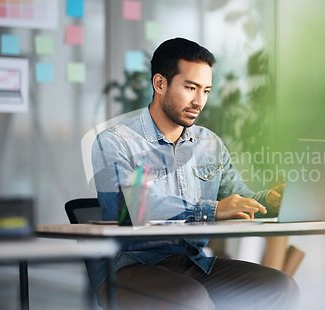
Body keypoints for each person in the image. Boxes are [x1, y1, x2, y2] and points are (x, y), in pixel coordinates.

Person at [92, 37, 299, 309]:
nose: (199, 101)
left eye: (206, 91)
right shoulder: (116, 142)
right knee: (191, 297)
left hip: (193, 263)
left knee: (280, 287)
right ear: (159, 84)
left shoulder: (208, 144)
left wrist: (267, 202)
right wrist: (209, 210)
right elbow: (131, 209)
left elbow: (236, 199)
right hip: (131, 266)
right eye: (190, 88)